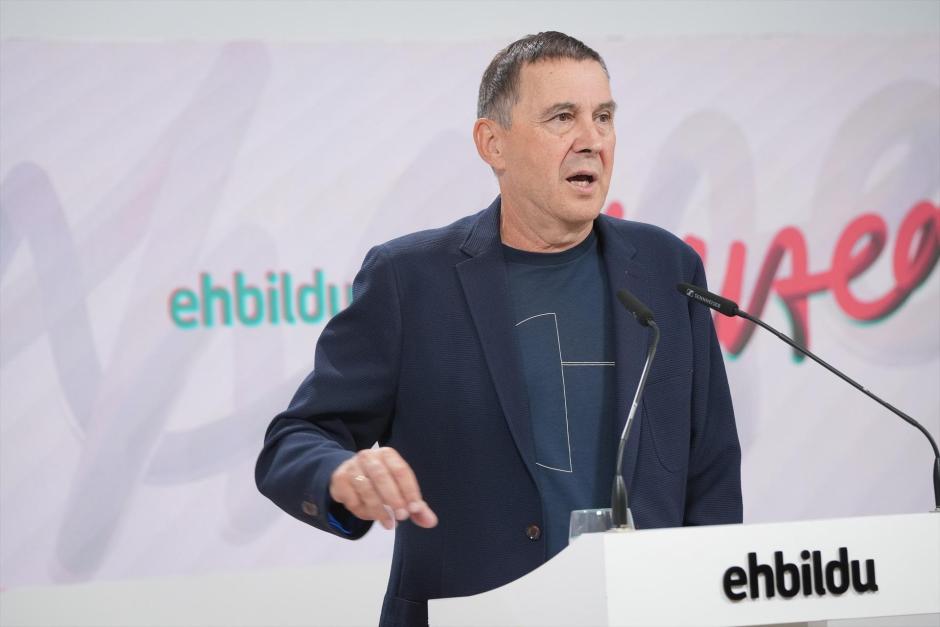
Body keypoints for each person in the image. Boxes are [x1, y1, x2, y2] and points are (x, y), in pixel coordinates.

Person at [256, 31, 742, 627]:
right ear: (493, 143)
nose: (591, 140)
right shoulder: (411, 280)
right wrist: (339, 474)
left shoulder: (668, 271)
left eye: (604, 117)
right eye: (562, 117)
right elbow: (293, 440)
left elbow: (712, 471)